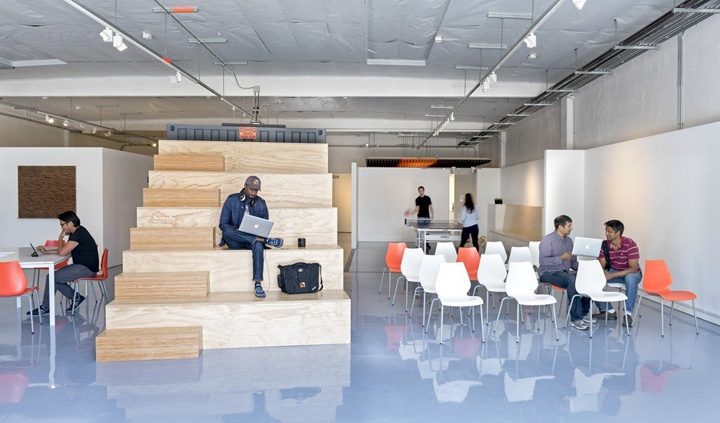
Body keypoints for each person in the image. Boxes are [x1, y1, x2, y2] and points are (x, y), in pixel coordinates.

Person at [218, 175, 284, 298]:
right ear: (245, 186)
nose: (253, 192)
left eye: (256, 190)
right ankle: (266, 241)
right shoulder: (231, 200)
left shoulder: (261, 204)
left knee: (258, 245)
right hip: (235, 241)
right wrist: (237, 231)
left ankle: (258, 284)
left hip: (252, 241)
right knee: (227, 232)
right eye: (251, 189)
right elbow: (223, 224)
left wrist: (259, 236)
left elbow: (264, 227)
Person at [28, 211, 98, 316]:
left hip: (86, 269)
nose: (61, 228)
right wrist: (46, 251)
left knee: (52, 277)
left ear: (70, 223)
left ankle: (46, 307)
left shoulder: (78, 235)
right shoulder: (78, 231)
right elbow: (65, 250)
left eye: (62, 225)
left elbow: (62, 253)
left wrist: (60, 237)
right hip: (83, 266)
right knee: (53, 277)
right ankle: (76, 298)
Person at [538, 215, 592, 330]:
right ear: (560, 227)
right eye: (569, 226)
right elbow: (543, 261)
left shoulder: (569, 241)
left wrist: (586, 269)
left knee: (586, 278)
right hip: (548, 273)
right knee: (572, 279)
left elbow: (573, 263)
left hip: (564, 273)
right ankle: (576, 319)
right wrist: (560, 258)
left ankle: (582, 313)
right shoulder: (547, 240)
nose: (571, 228)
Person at [592, 219, 642, 328]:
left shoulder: (630, 244)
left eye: (609, 231)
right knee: (595, 279)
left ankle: (628, 314)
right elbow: (602, 266)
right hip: (614, 271)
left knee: (630, 278)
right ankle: (609, 311)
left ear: (618, 233)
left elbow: (633, 269)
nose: (606, 233)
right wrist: (602, 273)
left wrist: (611, 275)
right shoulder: (604, 245)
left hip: (630, 273)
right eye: (606, 231)